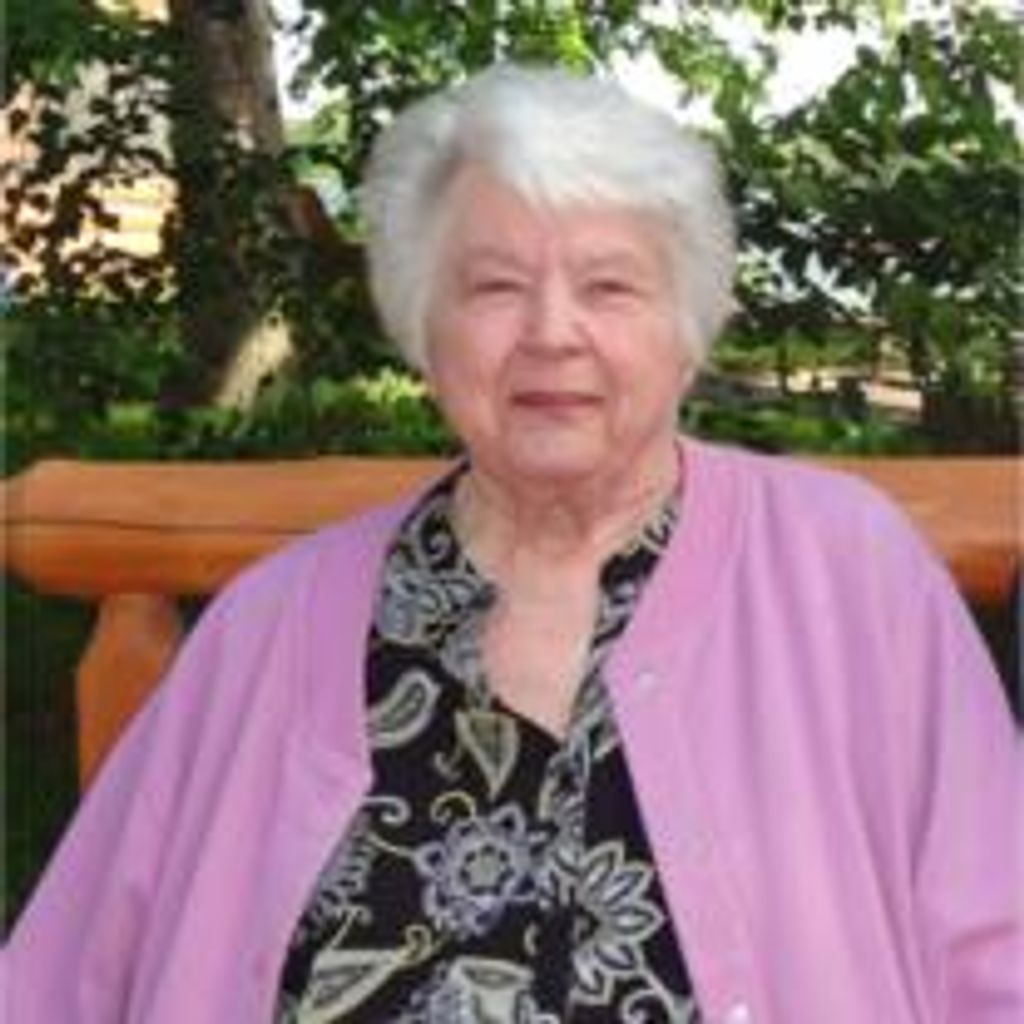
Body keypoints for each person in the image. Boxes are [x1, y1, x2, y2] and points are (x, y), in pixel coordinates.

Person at [6, 64, 1021, 1024]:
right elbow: (63, 978)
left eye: (609, 287)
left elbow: (998, 954)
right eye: (494, 287)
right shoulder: (272, 625)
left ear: (688, 327)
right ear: (423, 327)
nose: (551, 333)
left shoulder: (847, 576)